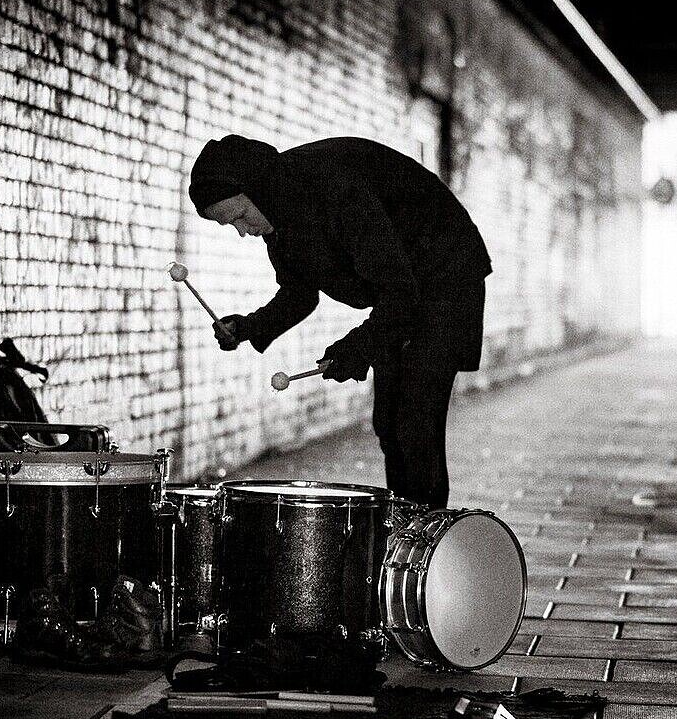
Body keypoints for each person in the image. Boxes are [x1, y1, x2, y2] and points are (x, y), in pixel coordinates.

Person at [188, 134, 492, 510]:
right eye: (229, 225)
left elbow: (400, 294)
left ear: (258, 189)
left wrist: (356, 348)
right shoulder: (279, 212)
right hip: (405, 290)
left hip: (447, 274)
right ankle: (404, 536)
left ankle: (424, 543)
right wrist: (248, 327)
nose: (241, 231)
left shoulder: (335, 189)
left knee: (415, 424)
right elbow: (299, 292)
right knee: (390, 426)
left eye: (240, 217)